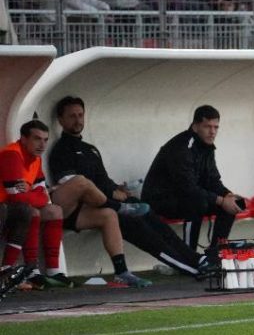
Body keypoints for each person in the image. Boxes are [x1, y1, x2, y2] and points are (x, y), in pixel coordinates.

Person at [49, 96, 213, 277]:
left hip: (111, 201)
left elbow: (104, 180)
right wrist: (111, 193)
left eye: (80, 115)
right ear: (61, 120)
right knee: (144, 233)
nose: (78, 120)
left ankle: (196, 259)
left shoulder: (90, 149)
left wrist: (118, 189)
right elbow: (75, 187)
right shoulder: (61, 151)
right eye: (72, 116)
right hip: (92, 208)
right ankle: (191, 269)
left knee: (155, 222)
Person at [142, 105, 243, 252]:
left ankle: (215, 254)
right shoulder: (181, 148)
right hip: (161, 200)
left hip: (185, 197)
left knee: (231, 206)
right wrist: (221, 201)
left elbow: (212, 180)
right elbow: (187, 188)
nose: (212, 132)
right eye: (207, 126)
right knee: (198, 203)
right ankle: (189, 255)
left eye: (216, 127)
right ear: (195, 127)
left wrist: (228, 195)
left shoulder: (207, 146)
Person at [0, 120, 69, 289]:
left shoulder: (35, 159)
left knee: (55, 211)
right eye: (37, 139)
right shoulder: (12, 154)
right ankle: (29, 270)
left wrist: (30, 192)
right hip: (5, 206)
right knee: (31, 212)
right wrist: (35, 195)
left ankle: (54, 271)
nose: (42, 144)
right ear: (23, 139)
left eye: (45, 140)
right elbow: (15, 197)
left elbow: (44, 195)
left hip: (12, 206)